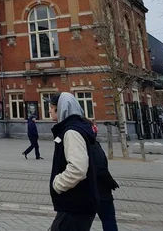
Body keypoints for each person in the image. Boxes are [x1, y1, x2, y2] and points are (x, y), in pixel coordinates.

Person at [47, 92, 99, 231]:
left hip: (75, 204)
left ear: (60, 108)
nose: (49, 110)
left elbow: (78, 169)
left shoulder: (71, 132)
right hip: (77, 204)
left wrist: (57, 184)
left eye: (51, 107)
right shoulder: (74, 128)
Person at [92, 140, 119, 231]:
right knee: (108, 219)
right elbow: (101, 167)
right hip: (102, 190)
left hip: (92, 190)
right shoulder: (94, 144)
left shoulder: (85, 143)